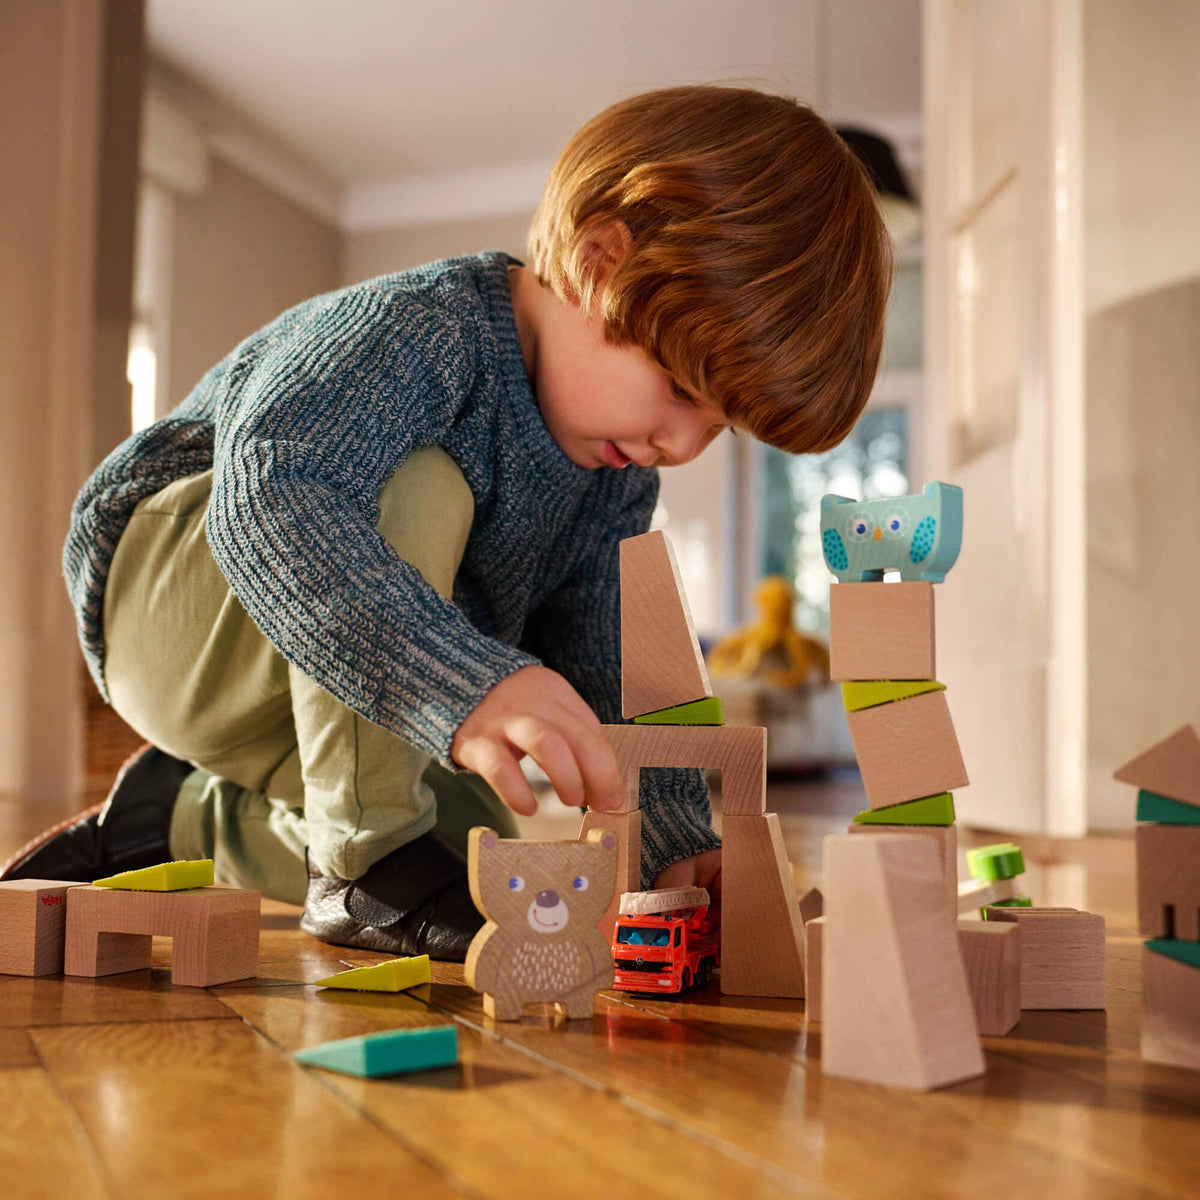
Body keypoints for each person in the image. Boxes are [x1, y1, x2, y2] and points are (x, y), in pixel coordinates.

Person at [2, 85, 890, 961]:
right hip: (169, 613)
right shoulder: (426, 329)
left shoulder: (614, 473)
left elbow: (608, 662)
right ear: (598, 263)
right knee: (420, 485)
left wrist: (672, 853)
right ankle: (359, 866)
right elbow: (274, 496)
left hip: (328, 676)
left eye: (718, 425)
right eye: (682, 391)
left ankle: (176, 821)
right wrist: (464, 685)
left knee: (483, 861)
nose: (682, 444)